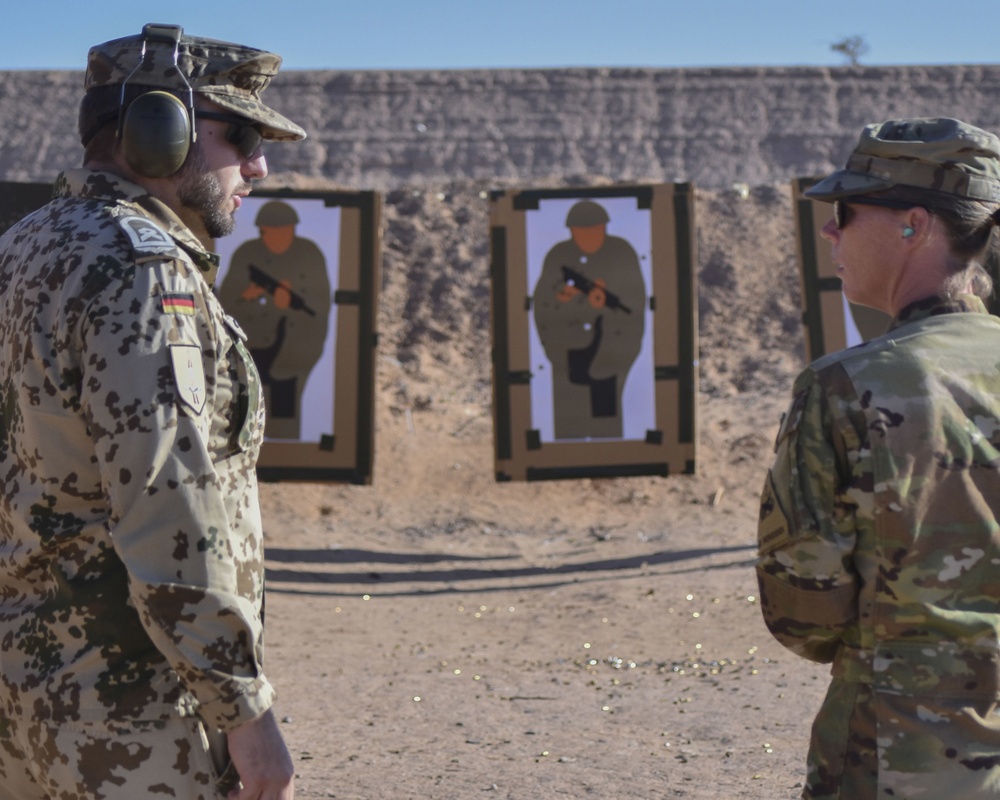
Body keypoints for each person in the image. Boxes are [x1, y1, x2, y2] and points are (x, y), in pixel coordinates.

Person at [0, 22, 306, 800]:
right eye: (239, 135)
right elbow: (168, 501)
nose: (258, 166)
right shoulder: (142, 270)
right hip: (126, 712)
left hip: (20, 691)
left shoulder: (26, 245)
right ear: (159, 133)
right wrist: (243, 709)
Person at [757, 117, 1000, 798]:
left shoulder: (846, 387)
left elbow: (805, 612)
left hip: (894, 754)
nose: (831, 231)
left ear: (912, 225)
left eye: (847, 210)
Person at [217, 200, 331, 440]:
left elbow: (320, 308)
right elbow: (223, 302)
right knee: (241, 418)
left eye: (283, 232)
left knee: (283, 417)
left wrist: (288, 306)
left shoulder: (309, 253)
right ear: (262, 231)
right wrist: (249, 295)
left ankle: (284, 449)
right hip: (249, 347)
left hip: (291, 351)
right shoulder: (248, 253)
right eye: (271, 232)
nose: (277, 238)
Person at [533, 200, 646, 439]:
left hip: (609, 352)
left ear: (604, 228)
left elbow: (634, 306)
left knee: (606, 426)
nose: (589, 237)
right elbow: (542, 303)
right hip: (568, 352)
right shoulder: (559, 255)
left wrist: (604, 304)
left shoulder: (621, 252)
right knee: (569, 425)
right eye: (582, 232)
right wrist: (564, 297)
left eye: (595, 230)